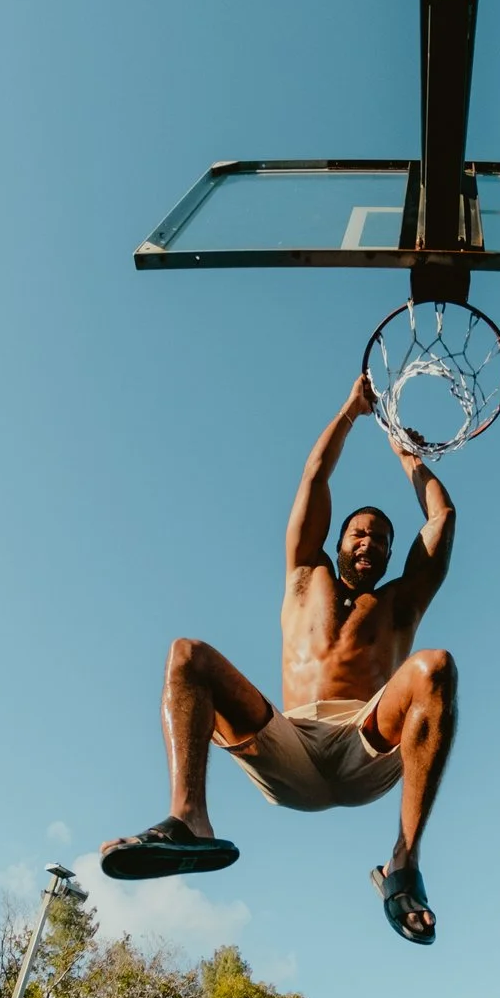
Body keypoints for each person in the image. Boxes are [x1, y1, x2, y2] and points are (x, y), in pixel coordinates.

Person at [102, 374, 459, 945]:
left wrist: (405, 454)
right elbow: (315, 476)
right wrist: (350, 411)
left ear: (394, 554)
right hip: (290, 744)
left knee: (434, 666)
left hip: (363, 742)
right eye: (360, 534)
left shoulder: (398, 602)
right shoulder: (304, 574)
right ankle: (189, 819)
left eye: (382, 539)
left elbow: (441, 520)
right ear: (338, 540)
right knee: (188, 656)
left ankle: (404, 864)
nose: (370, 543)